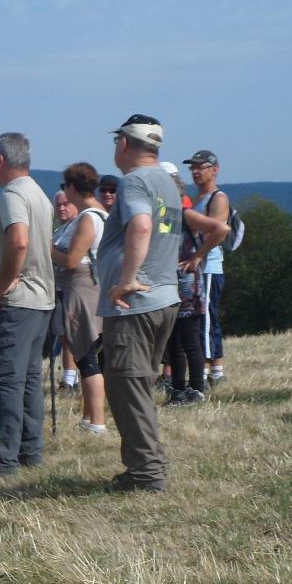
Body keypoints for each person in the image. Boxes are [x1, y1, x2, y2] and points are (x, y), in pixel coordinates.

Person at [97, 115, 182, 493]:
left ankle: (147, 473)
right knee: (140, 386)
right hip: (165, 295)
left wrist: (128, 278)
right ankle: (149, 464)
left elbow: (142, 225)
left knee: (127, 388)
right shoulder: (168, 181)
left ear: (124, 144)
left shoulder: (134, 181)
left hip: (135, 303)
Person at [0, 133, 56, 480]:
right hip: (41, 300)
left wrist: (2, 285)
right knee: (29, 378)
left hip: (17, 301)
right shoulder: (39, 194)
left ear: (1, 160)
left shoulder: (12, 195)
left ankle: (3, 459)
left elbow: (19, 241)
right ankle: (30, 449)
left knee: (6, 379)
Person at [51, 163, 108, 434]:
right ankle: (88, 417)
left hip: (82, 287)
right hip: (90, 286)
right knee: (86, 353)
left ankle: (97, 420)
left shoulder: (88, 218)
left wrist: (48, 250)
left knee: (87, 356)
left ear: (72, 188)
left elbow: (73, 260)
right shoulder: (101, 214)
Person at [184, 150, 231, 385]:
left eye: (200, 167)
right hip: (203, 266)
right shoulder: (199, 198)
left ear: (214, 169)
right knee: (207, 317)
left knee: (205, 320)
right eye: (192, 167)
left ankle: (205, 372)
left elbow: (218, 232)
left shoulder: (218, 198)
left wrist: (198, 256)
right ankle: (215, 371)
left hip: (209, 266)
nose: (195, 171)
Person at [52, 190, 80, 390]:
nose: (61, 208)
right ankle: (72, 376)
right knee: (64, 334)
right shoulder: (60, 230)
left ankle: (71, 378)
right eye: (58, 205)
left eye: (66, 204)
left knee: (71, 334)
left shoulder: (77, 226)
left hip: (73, 287)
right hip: (60, 287)